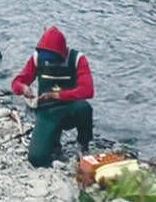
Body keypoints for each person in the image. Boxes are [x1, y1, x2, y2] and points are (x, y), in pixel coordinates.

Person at [11, 25, 94, 167]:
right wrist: (23, 88)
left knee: (85, 108)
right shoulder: (37, 59)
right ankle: (54, 144)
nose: (50, 61)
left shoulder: (77, 59)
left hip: (70, 108)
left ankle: (83, 144)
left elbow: (87, 90)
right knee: (36, 159)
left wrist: (56, 95)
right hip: (47, 112)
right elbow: (16, 83)